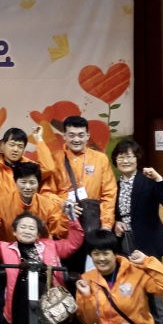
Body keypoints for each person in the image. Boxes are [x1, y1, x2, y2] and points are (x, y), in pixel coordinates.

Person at [112, 138, 163, 324]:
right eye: (121, 156)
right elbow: (111, 212)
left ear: (137, 159)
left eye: (129, 156)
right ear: (115, 160)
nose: (125, 160)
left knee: (155, 300)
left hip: (148, 247)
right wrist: (115, 223)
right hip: (123, 246)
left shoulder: (148, 181)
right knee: (127, 297)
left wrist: (159, 179)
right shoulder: (113, 185)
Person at [50, 115, 117, 272]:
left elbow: (109, 193)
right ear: (64, 136)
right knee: (66, 274)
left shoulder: (100, 159)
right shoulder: (55, 159)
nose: (76, 139)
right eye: (71, 135)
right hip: (64, 226)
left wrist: (106, 225)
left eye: (81, 135)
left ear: (87, 136)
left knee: (93, 275)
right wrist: (63, 203)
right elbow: (46, 193)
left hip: (93, 226)